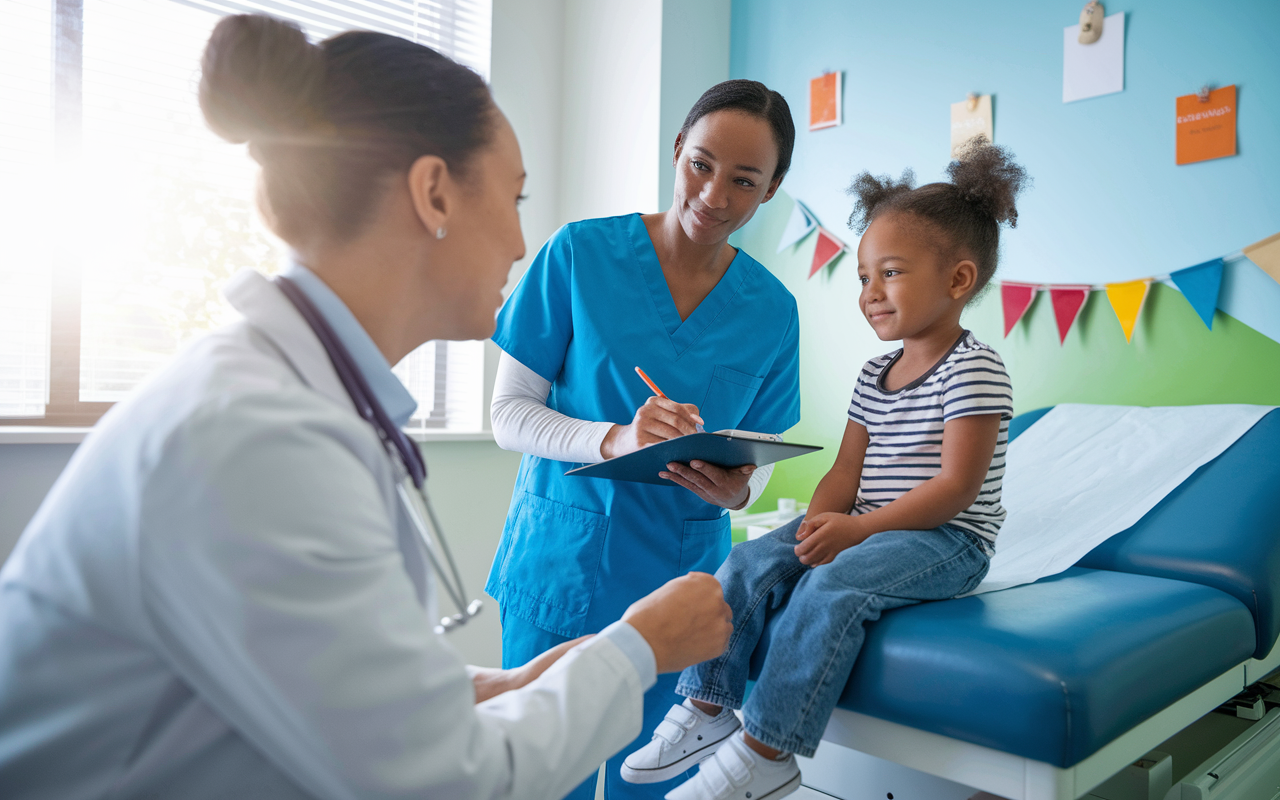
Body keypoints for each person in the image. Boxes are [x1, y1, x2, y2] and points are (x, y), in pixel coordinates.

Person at [0, 15, 735, 799]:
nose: (522, 243)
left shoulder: (290, 403)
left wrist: (521, 681)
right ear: (433, 192)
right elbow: (437, 783)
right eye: (515, 198)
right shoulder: (258, 437)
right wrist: (639, 648)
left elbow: (345, 699)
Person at [623, 140, 1028, 800]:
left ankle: (767, 750)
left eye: (889, 273)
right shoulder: (875, 375)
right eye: (864, 277)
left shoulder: (973, 369)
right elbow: (847, 469)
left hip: (949, 541)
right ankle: (705, 705)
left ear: (958, 280)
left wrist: (852, 534)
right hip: (874, 525)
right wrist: (818, 522)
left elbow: (956, 489)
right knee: (751, 561)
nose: (869, 292)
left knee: (832, 584)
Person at [487, 80, 802, 799]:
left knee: (649, 783)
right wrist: (615, 438)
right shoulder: (579, 254)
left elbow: (755, 462)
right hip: (560, 567)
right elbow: (510, 414)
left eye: (744, 180)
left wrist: (738, 490)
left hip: (683, 585)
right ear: (676, 152)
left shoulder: (773, 312)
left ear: (770, 190)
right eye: (701, 163)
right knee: (540, 777)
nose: (715, 194)